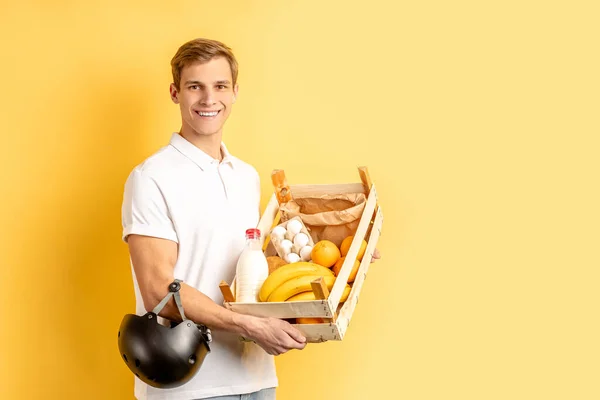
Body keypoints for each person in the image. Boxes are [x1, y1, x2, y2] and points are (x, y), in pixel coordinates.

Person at [121, 38, 380, 400]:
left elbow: (252, 262)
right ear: (174, 93)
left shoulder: (246, 176)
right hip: (188, 384)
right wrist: (248, 324)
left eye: (220, 86)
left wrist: (347, 249)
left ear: (235, 92)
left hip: (256, 377)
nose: (209, 99)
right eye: (195, 86)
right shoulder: (152, 177)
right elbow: (158, 292)